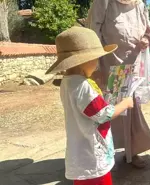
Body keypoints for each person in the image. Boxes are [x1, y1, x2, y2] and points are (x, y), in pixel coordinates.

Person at [45, 26, 134, 185]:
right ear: (85, 61)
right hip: (92, 157)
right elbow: (104, 114)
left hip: (80, 157)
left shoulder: (68, 82)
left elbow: (89, 107)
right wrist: (125, 104)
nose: (97, 64)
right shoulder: (83, 86)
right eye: (96, 59)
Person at [88, 0, 150, 168]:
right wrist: (95, 66)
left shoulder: (139, 5)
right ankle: (103, 153)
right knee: (109, 111)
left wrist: (146, 40)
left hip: (133, 66)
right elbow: (92, 33)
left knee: (131, 110)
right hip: (109, 66)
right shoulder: (103, 2)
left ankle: (132, 152)